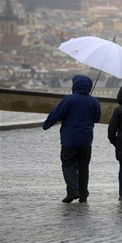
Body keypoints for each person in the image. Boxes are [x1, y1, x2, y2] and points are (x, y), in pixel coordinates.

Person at [43, 75, 101, 203]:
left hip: (69, 139)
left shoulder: (69, 100)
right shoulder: (94, 101)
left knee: (68, 164)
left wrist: (46, 125)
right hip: (86, 140)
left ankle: (72, 191)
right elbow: (96, 118)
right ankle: (83, 193)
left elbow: (56, 114)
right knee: (83, 166)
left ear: (74, 86)